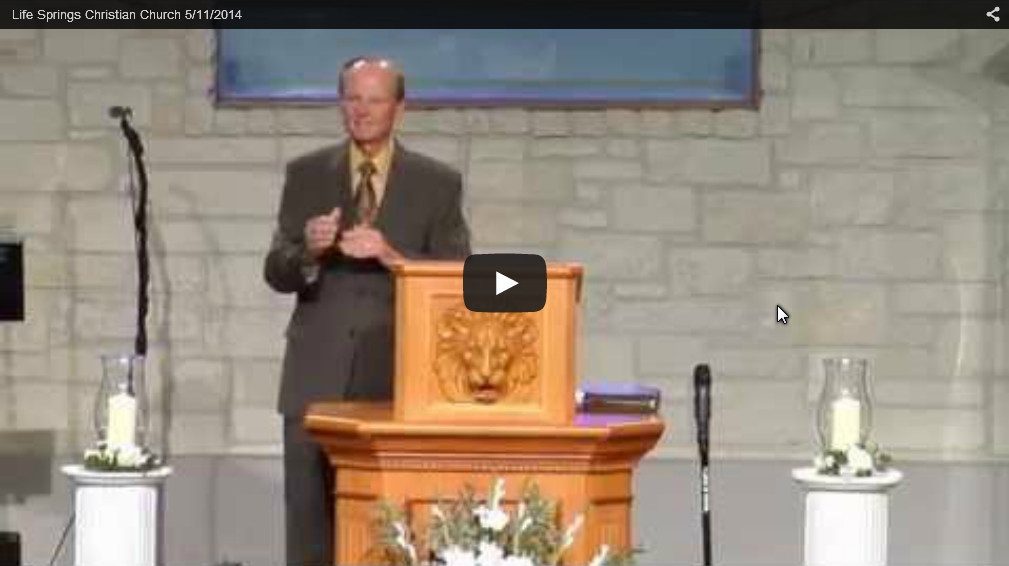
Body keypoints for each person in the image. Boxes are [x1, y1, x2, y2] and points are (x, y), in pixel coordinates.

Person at [263, 56, 471, 566]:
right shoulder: (307, 174)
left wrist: (391, 255)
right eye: (353, 98)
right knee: (310, 529)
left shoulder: (437, 183)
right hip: (315, 378)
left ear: (399, 107)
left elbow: (459, 279)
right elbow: (276, 270)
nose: (362, 110)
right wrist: (309, 250)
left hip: (394, 376)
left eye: (375, 100)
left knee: (389, 528)